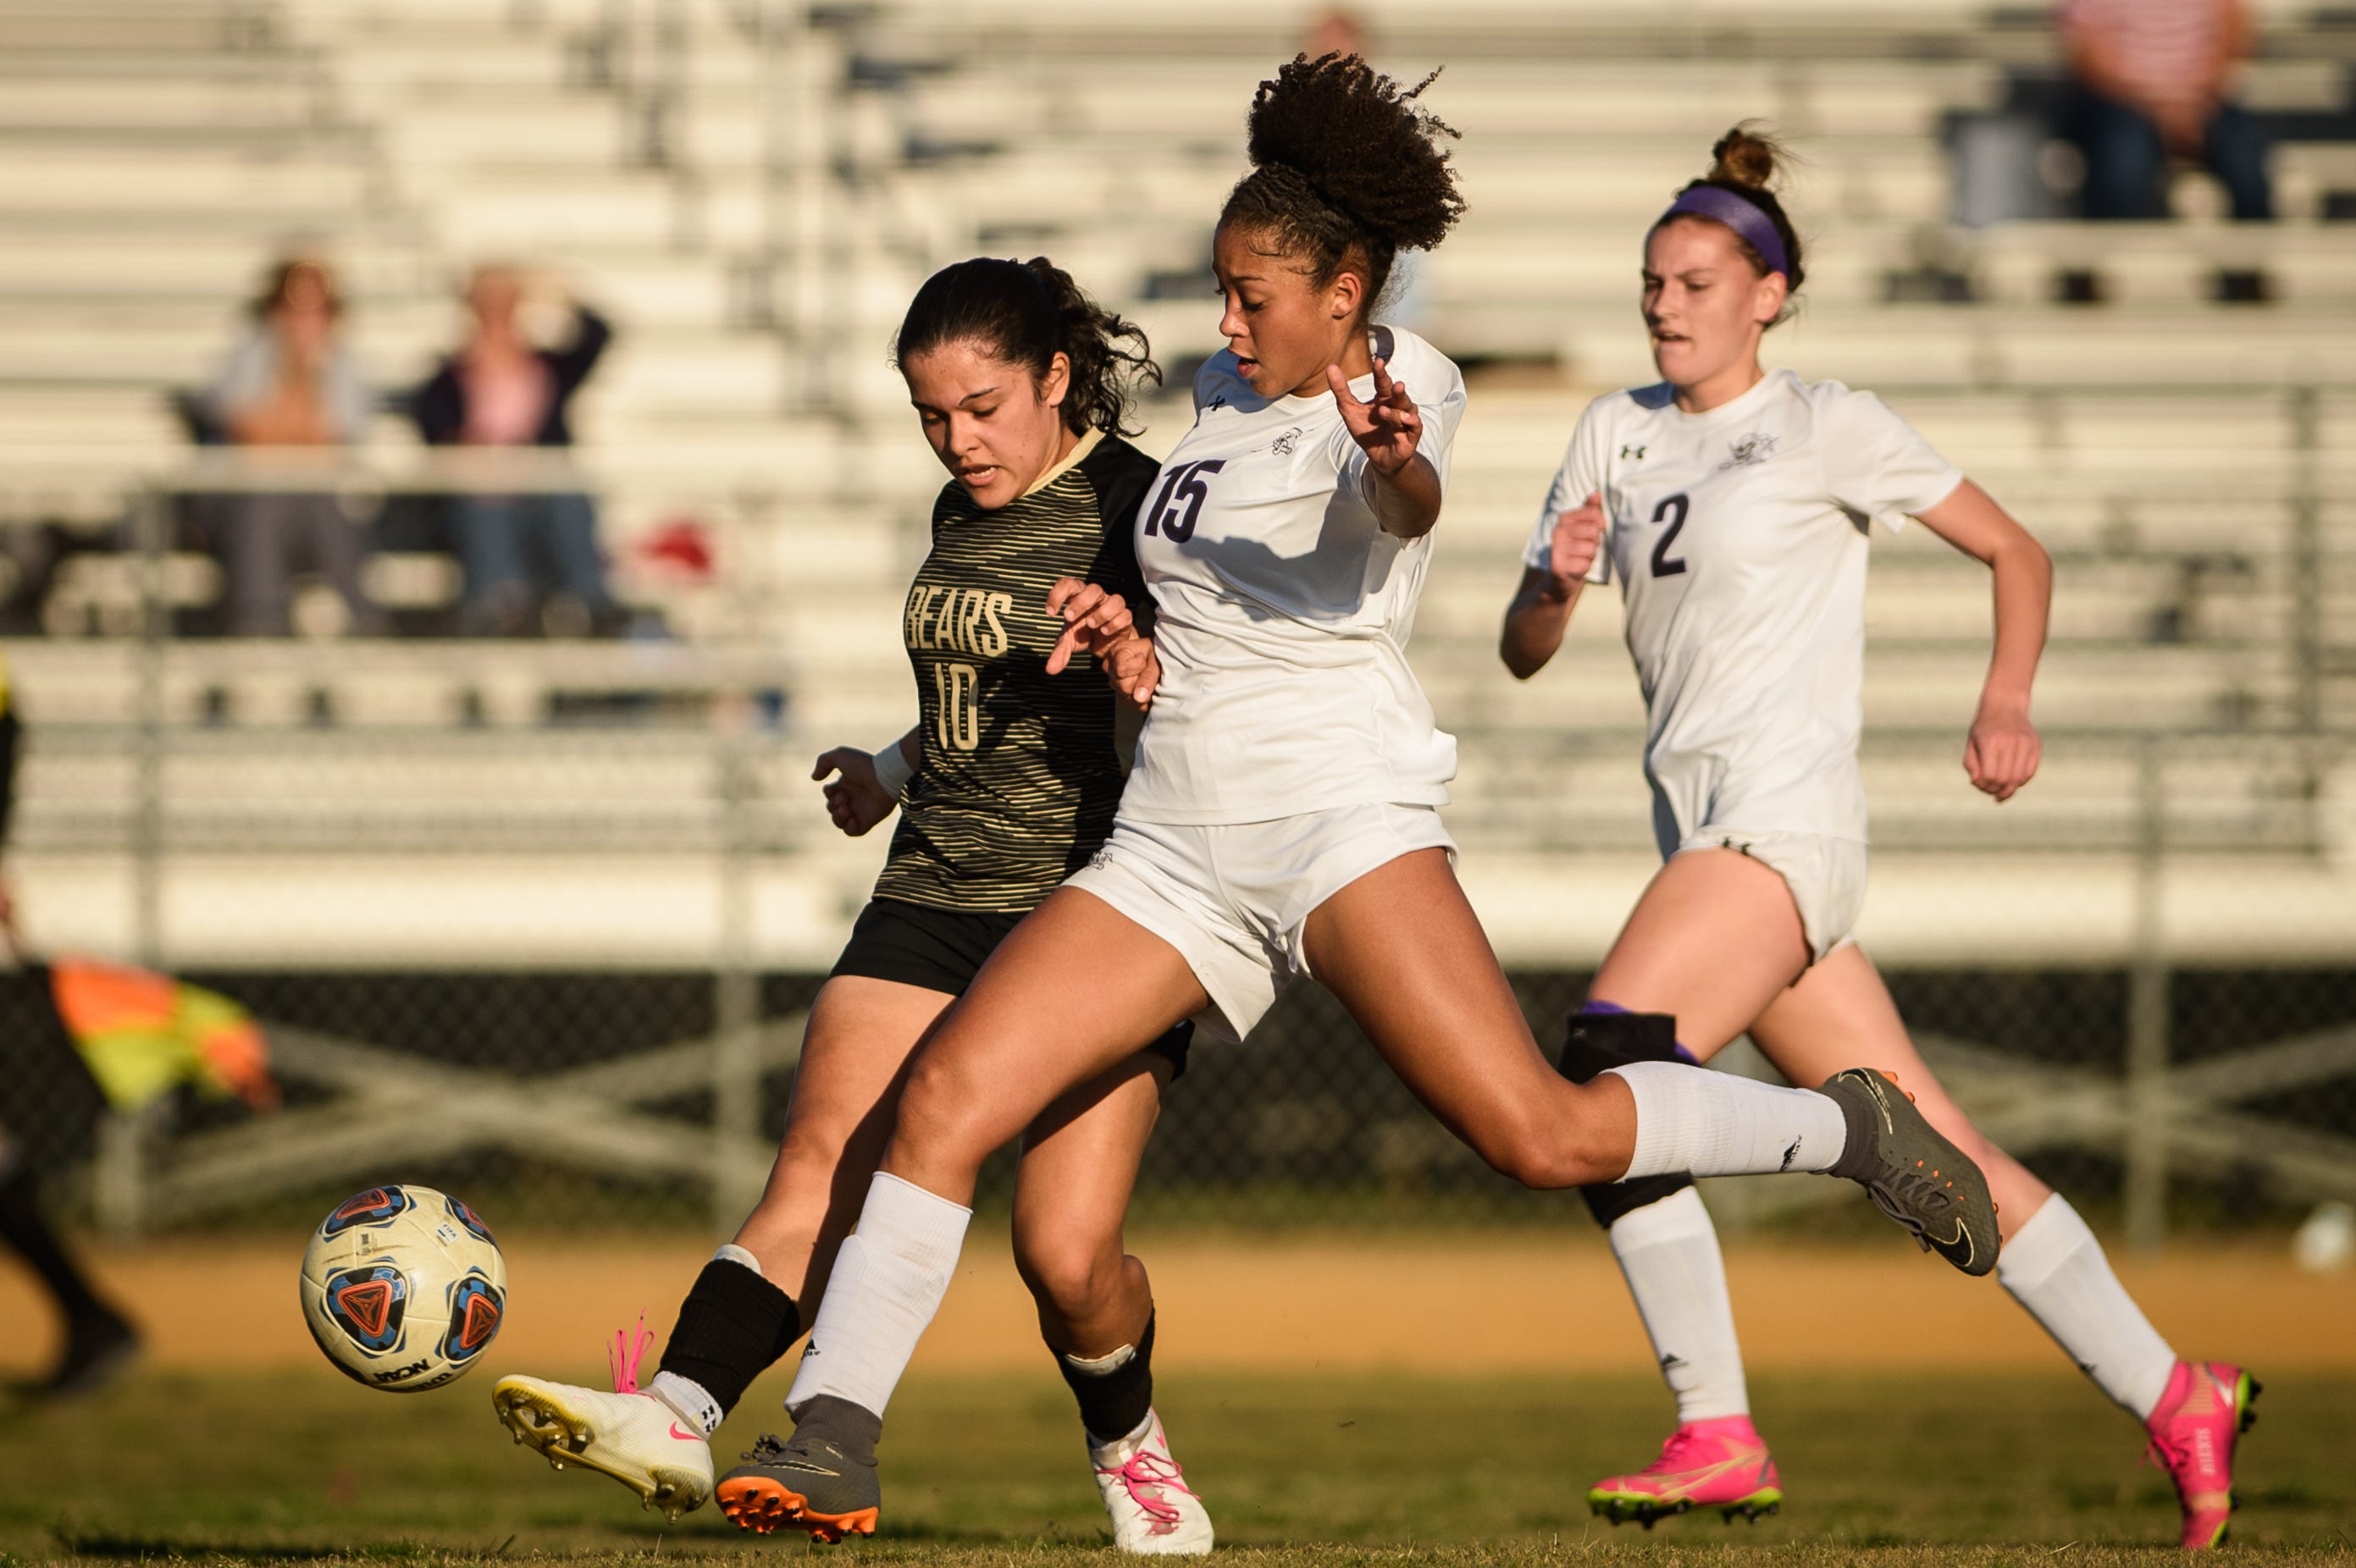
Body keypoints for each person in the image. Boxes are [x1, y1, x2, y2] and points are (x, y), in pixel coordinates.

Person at [727, 54, 2002, 1543]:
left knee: (1538, 1133)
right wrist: (1116, 634)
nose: (1224, 320)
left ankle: (1845, 1131)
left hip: (1339, 821)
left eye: (1252, 297)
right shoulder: (1219, 389)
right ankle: (833, 1438)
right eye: (1220, 291)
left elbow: (1404, 503)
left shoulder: (1404, 387)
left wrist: (1394, 460)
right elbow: (1192, 582)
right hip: (1173, 846)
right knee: (941, 1099)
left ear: (1343, 291)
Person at [1499, 127, 2256, 1554]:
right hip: (1711, 839)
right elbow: (1525, 646)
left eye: (1698, 281)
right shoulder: (1613, 430)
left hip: (1781, 831)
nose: (1666, 304)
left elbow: (2016, 551)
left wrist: (2005, 697)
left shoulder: (1824, 421)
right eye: (1651, 281)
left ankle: (1716, 1423)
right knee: (1946, 1157)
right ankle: (2175, 1391)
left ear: (1768, 292)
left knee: (1607, 1070)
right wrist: (1549, 582)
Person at [491, 257, 1216, 1554]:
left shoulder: (1140, 510)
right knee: (822, 1169)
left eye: (984, 406)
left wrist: (1128, 660)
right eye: (934, 415)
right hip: (933, 886)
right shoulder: (960, 507)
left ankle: (1127, 1439)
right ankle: (674, 1408)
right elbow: (983, 688)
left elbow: (1181, 714)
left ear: (1056, 376)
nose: (960, 439)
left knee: (1065, 1258)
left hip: (1095, 911)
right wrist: (890, 771)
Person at [413, 268, 626, 637]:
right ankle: (506, 605)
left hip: (540, 493)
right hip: (484, 494)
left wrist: (559, 291)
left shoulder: (547, 367)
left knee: (566, 496)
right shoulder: (449, 377)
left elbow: (600, 335)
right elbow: (434, 432)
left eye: (506, 301)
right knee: (486, 505)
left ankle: (592, 600)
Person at [204, 257, 382, 637]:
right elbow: (249, 430)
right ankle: (258, 621)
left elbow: (332, 437)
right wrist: (292, 371)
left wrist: (306, 377)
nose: (304, 318)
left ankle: (360, 621)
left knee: (329, 511)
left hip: (318, 491)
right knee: (261, 508)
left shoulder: (343, 362)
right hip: (258, 489)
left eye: (316, 306)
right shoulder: (250, 355)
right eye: (293, 305)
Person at [2062, 0, 2272, 224]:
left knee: (2248, 169)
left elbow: (2233, 36)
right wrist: (2159, 108)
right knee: (2121, 172)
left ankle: (2251, 256)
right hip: (2122, 105)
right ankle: (2118, 253)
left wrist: (2193, 103)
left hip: (2203, 104)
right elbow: (2087, 55)